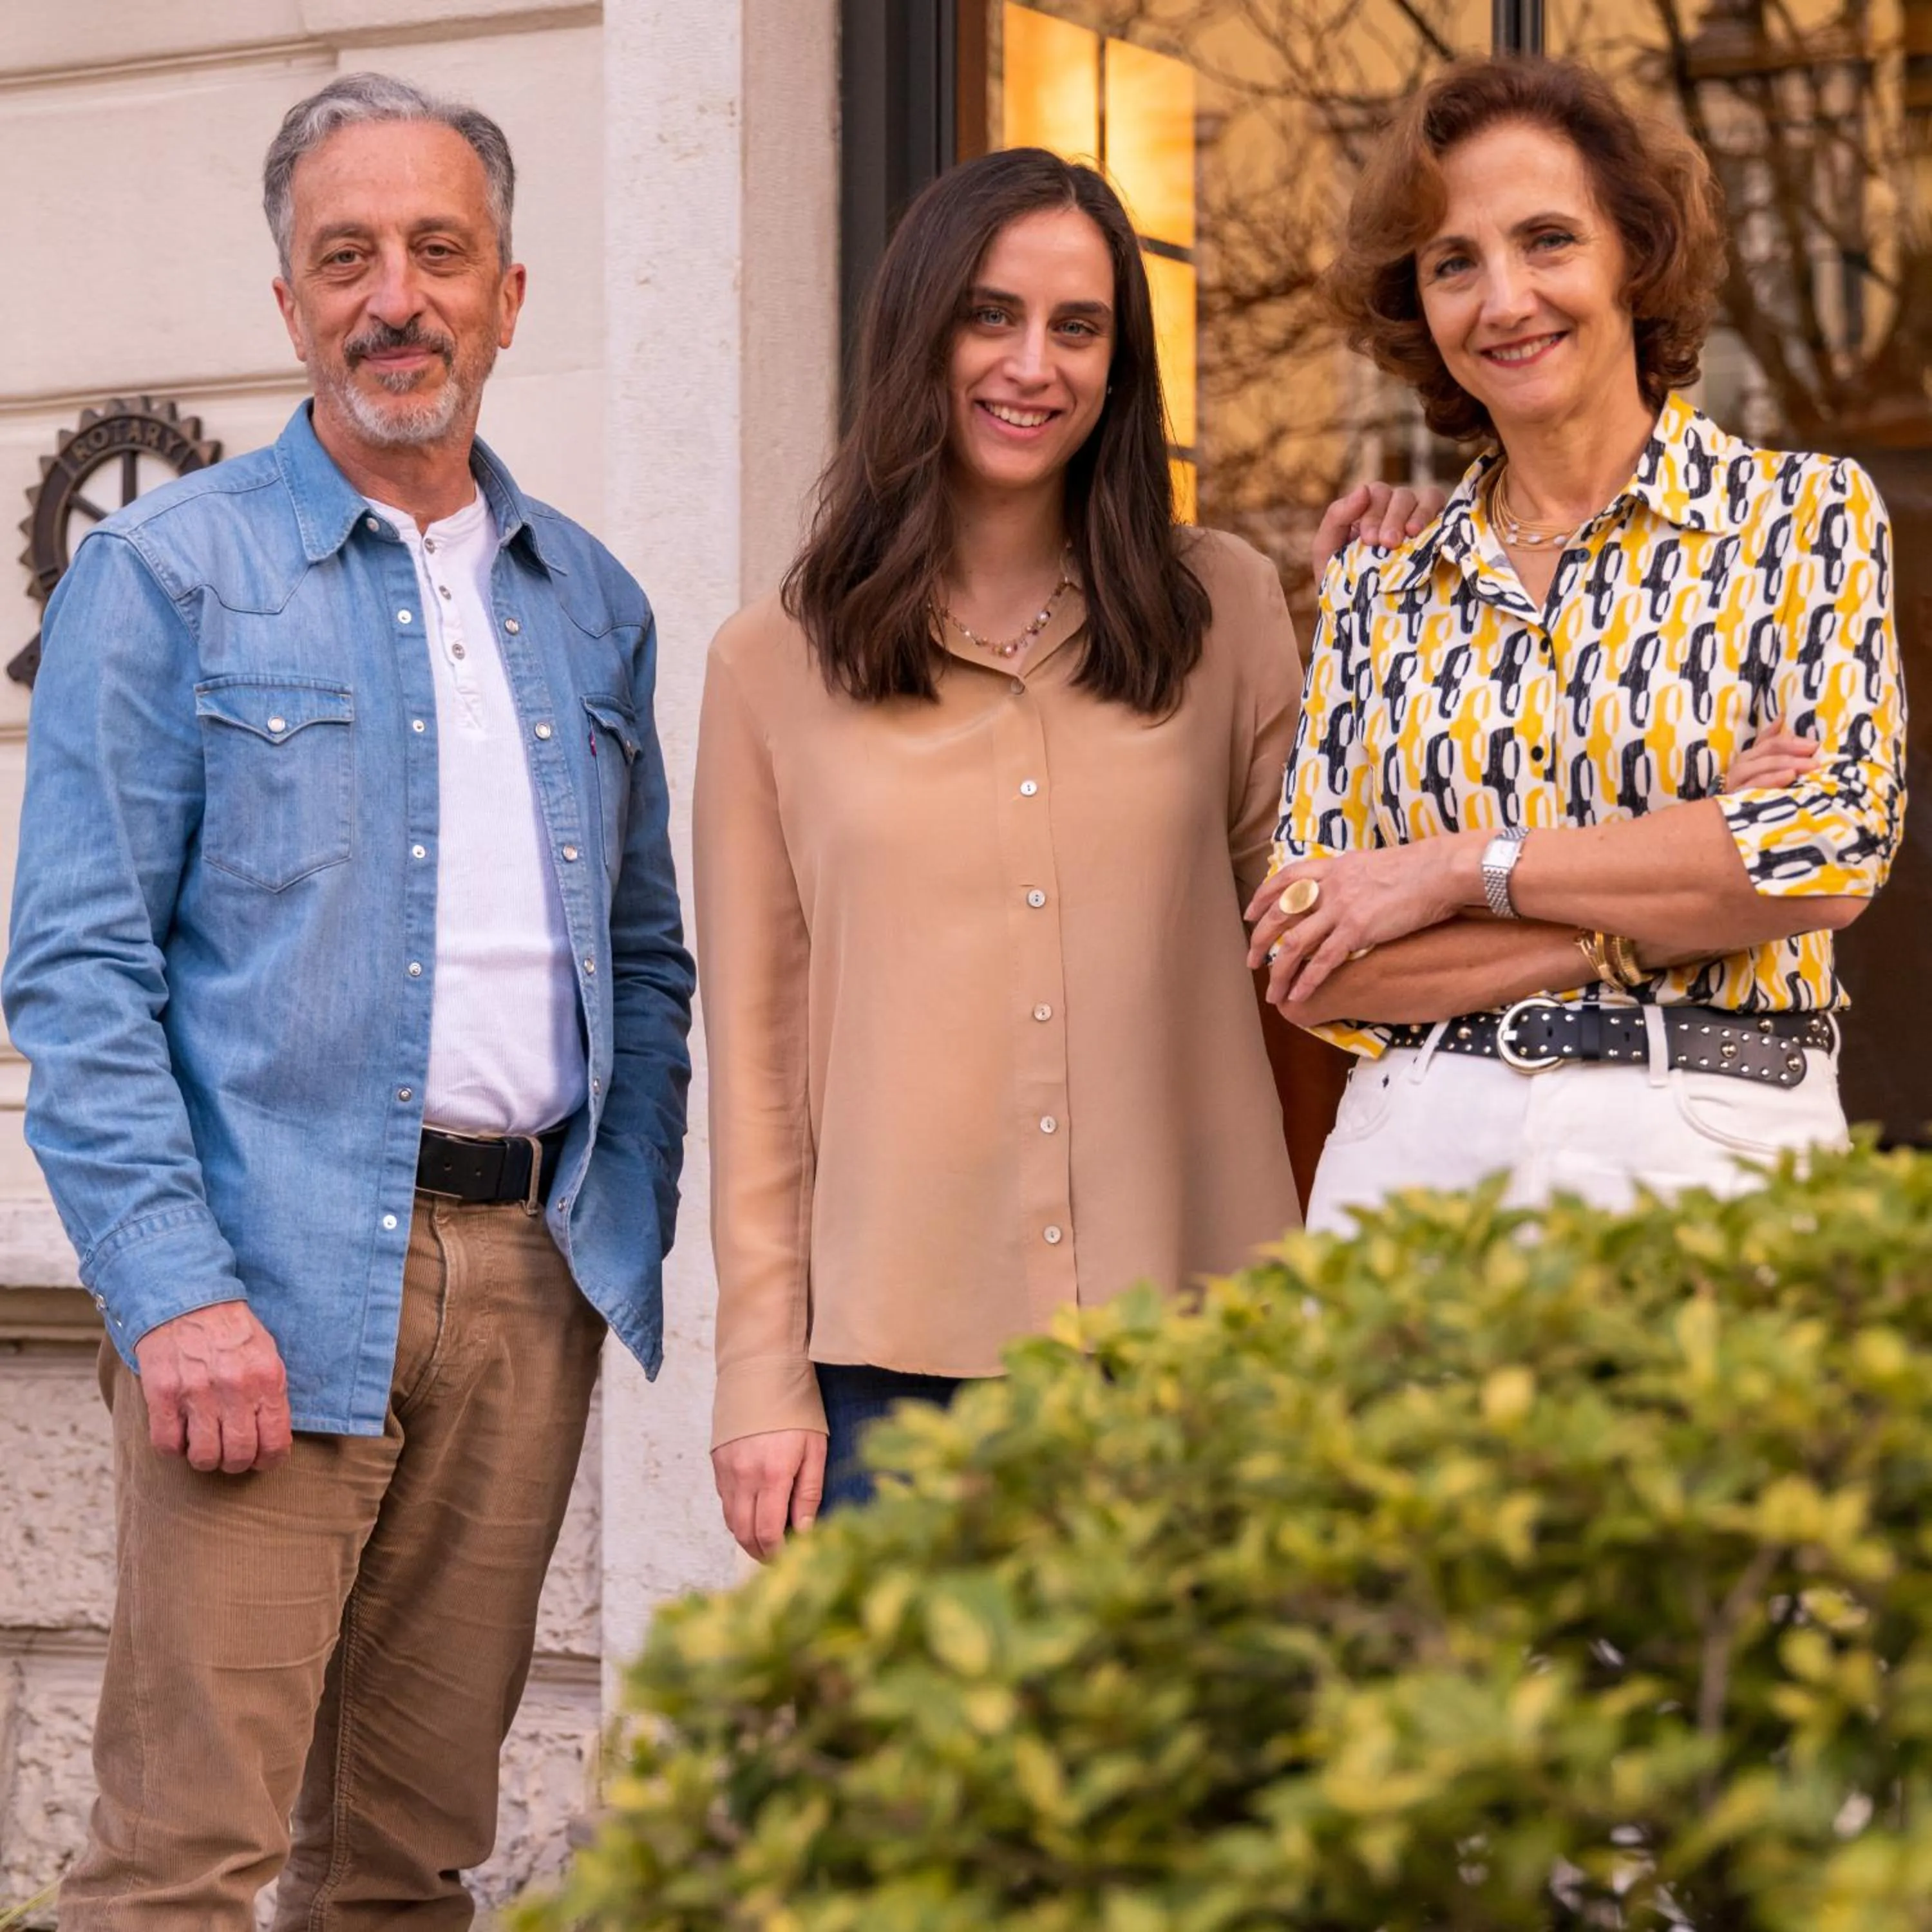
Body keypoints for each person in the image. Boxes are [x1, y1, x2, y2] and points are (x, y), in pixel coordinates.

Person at [3, 73, 692, 1927]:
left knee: (408, 1867)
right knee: (181, 1866)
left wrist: (609, 1225)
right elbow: (76, 969)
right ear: (290, 301)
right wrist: (172, 1289)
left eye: (439, 252)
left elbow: (642, 958)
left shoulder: (593, 606)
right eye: (348, 257)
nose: (398, 298)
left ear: (509, 294)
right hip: (266, 1284)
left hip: (522, 1286)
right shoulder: (166, 576)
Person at [697, 148, 1400, 1558]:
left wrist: (1399, 644)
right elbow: (759, 1063)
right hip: (899, 1380)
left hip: (1200, 1349)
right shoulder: (769, 665)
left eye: (1078, 327)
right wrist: (760, 1375)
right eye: (991, 315)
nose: (1034, 365)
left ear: (1119, 365)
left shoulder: (1224, 609)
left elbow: (1327, 943)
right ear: (921, 333)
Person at [1247, 56, 1905, 1232]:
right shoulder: (1386, 580)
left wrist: (1449, 874)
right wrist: (1671, 890)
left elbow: (1827, 853)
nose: (1505, 300)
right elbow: (1311, 959)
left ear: (1634, 258)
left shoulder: (1800, 518)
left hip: (1710, 1130)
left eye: (1548, 240)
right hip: (1415, 1156)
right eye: (1454, 263)